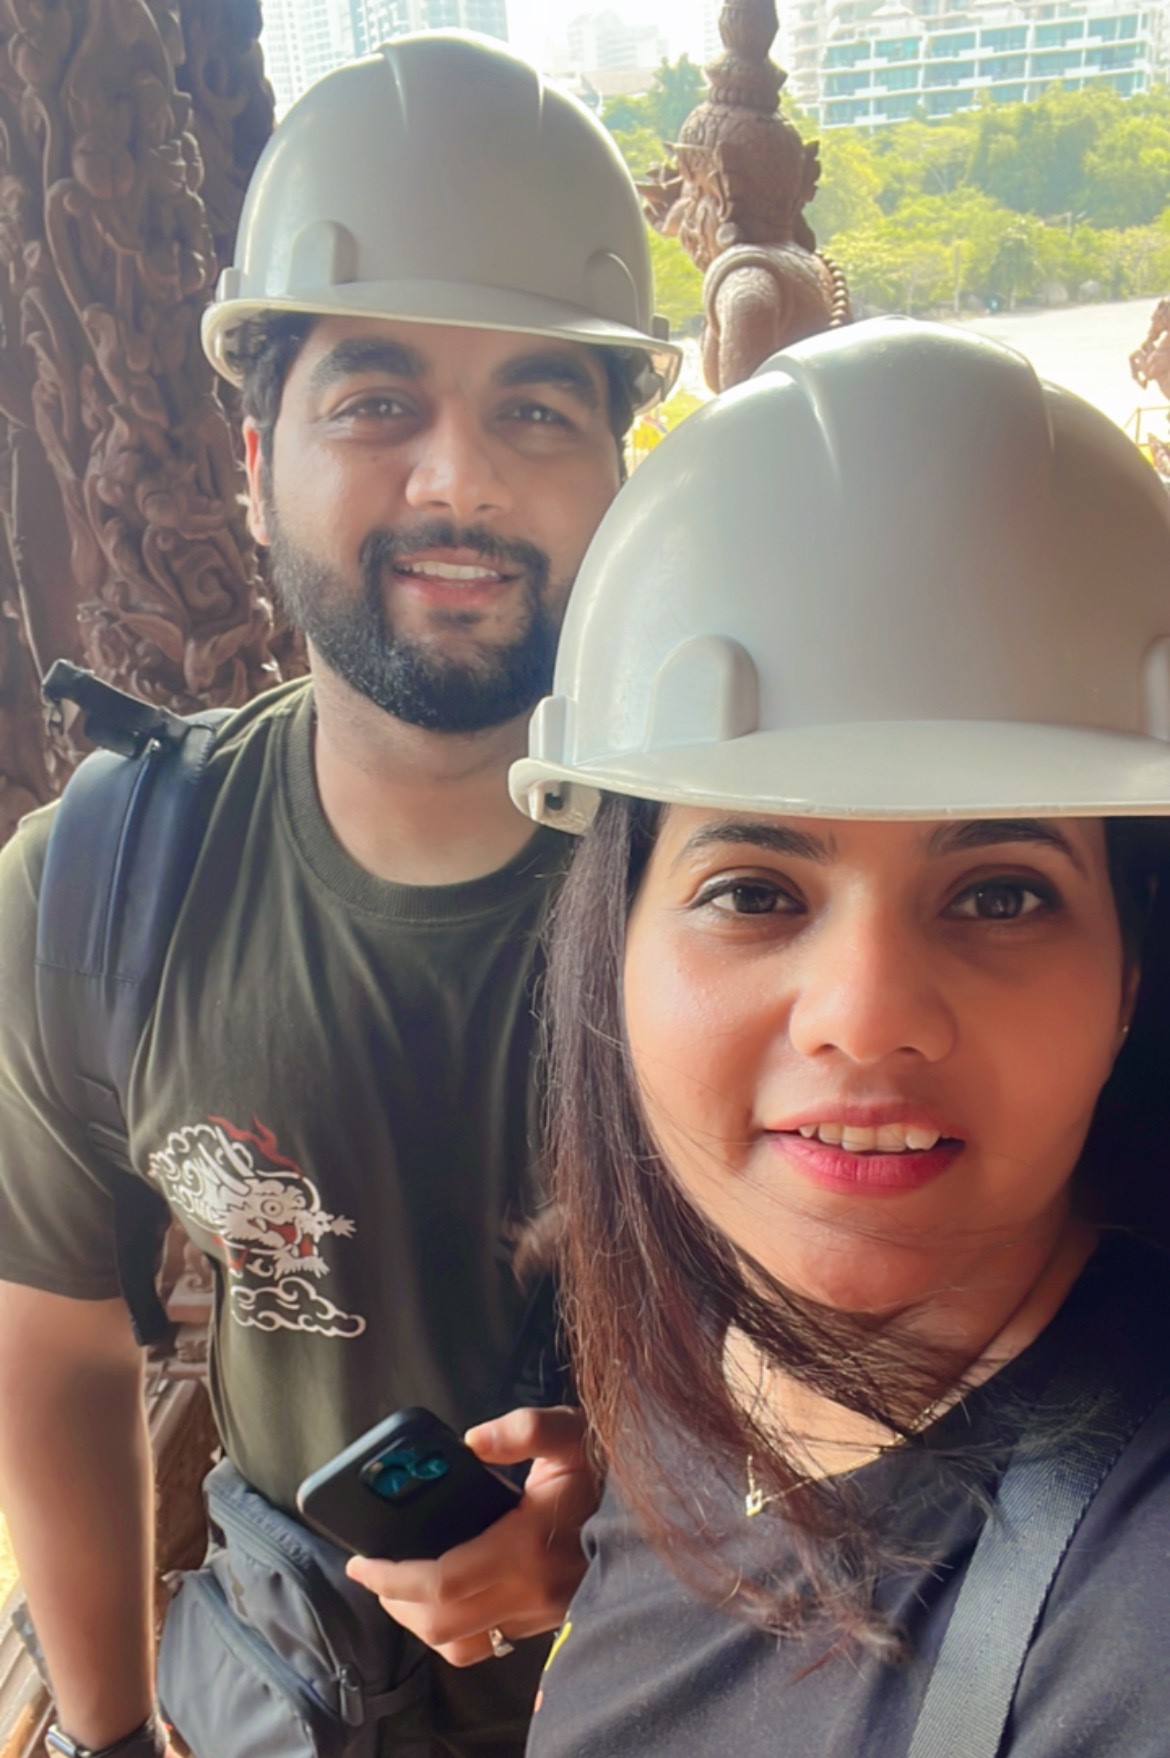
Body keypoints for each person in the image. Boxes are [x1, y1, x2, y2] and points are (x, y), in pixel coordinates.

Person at [0, 31, 678, 1758]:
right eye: (377, 400)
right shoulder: (101, 888)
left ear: (620, 460)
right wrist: (107, 1732)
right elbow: (60, 1344)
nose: (456, 478)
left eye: (536, 404)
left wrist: (641, 1531)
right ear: (252, 457)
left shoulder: (760, 876)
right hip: (300, 1674)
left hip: (708, 1667)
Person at [509, 318, 1170, 1757]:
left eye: (999, 892)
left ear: (1130, 969)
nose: (865, 1012)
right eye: (753, 890)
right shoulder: (703, 1330)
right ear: (612, 951)